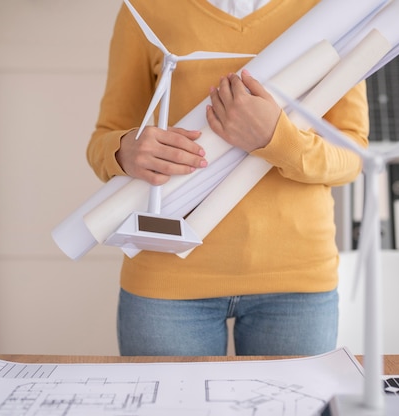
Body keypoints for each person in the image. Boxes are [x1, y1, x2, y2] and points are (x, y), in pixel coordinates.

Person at [86, 0, 369, 356]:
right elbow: (104, 139)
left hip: (296, 283)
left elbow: (353, 157)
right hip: (165, 278)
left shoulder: (330, 10)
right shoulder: (144, 9)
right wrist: (125, 150)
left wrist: (276, 141)